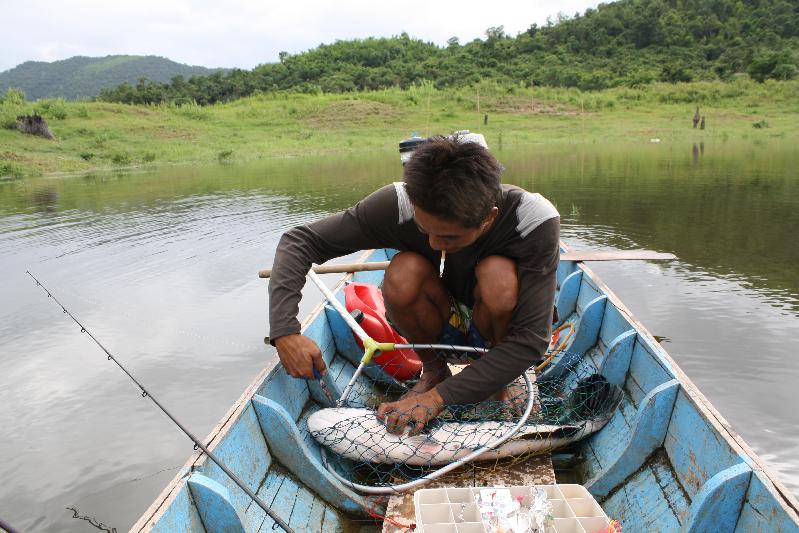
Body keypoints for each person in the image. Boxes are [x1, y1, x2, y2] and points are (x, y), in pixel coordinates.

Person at [268, 134, 560, 435]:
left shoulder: (531, 219)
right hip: (438, 315)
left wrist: (436, 401)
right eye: (424, 230)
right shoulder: (398, 204)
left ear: (488, 218)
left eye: (449, 238)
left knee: (498, 275)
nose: (434, 243)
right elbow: (299, 241)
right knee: (404, 270)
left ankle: (501, 377)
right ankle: (434, 370)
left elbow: (530, 341)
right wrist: (284, 331)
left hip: (498, 328)